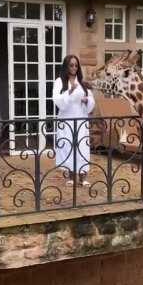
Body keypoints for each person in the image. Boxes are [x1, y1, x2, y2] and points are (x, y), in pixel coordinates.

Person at [53, 54, 95, 186]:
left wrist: (87, 100)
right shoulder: (60, 81)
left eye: (76, 65)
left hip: (81, 120)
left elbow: (91, 102)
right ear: (66, 66)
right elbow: (57, 100)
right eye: (71, 65)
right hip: (67, 121)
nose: (74, 68)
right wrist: (69, 92)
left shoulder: (82, 83)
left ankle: (83, 177)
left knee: (82, 147)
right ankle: (71, 176)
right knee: (68, 147)